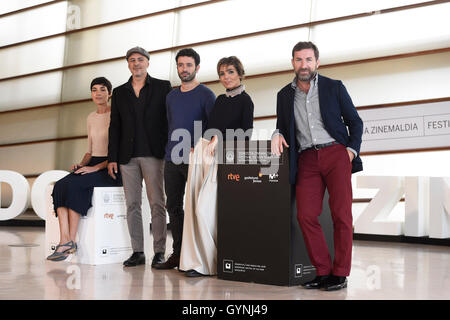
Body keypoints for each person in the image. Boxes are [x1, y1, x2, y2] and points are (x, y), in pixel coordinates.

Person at [271, 41, 363, 291]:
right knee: (306, 215)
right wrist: (277, 133)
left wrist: (350, 151)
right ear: (292, 63)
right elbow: (283, 124)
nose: (304, 65)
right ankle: (322, 271)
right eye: (299, 60)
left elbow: (355, 122)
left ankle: (340, 273)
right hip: (307, 158)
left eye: (308, 59)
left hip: (336, 154)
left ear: (317, 62)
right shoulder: (284, 94)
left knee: (341, 215)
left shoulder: (334, 87)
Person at [179, 56, 254, 277]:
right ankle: (196, 262)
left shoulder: (246, 101)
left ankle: (209, 263)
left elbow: (246, 136)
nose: (226, 77)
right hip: (205, 155)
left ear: (240, 73)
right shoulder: (220, 100)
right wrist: (199, 145)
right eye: (222, 73)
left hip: (224, 159)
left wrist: (220, 142)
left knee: (206, 210)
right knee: (193, 207)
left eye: (230, 72)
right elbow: (212, 128)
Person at [107, 46, 172, 267]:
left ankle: (160, 251)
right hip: (127, 157)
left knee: (157, 203)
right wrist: (112, 157)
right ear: (128, 64)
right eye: (132, 60)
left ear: (148, 62)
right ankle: (138, 252)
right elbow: (114, 126)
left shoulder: (163, 87)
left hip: (154, 154)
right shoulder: (119, 92)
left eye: (140, 59)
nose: (136, 63)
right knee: (133, 204)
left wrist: (168, 148)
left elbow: (169, 121)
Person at [47, 77, 122, 261]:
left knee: (74, 186)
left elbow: (118, 152)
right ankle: (65, 239)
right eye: (94, 90)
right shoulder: (90, 117)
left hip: (109, 166)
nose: (98, 93)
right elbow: (90, 150)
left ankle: (70, 241)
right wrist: (81, 165)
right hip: (92, 163)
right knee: (60, 185)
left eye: (103, 89)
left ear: (110, 93)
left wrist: (94, 168)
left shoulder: (117, 116)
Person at [154, 48, 216, 270]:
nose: (184, 69)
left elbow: (213, 128)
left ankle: (198, 257)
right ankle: (178, 254)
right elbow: (170, 125)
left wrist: (198, 146)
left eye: (189, 65)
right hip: (172, 158)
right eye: (180, 65)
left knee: (196, 207)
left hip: (196, 160)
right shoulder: (171, 96)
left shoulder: (207, 95)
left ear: (197, 68)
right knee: (173, 206)